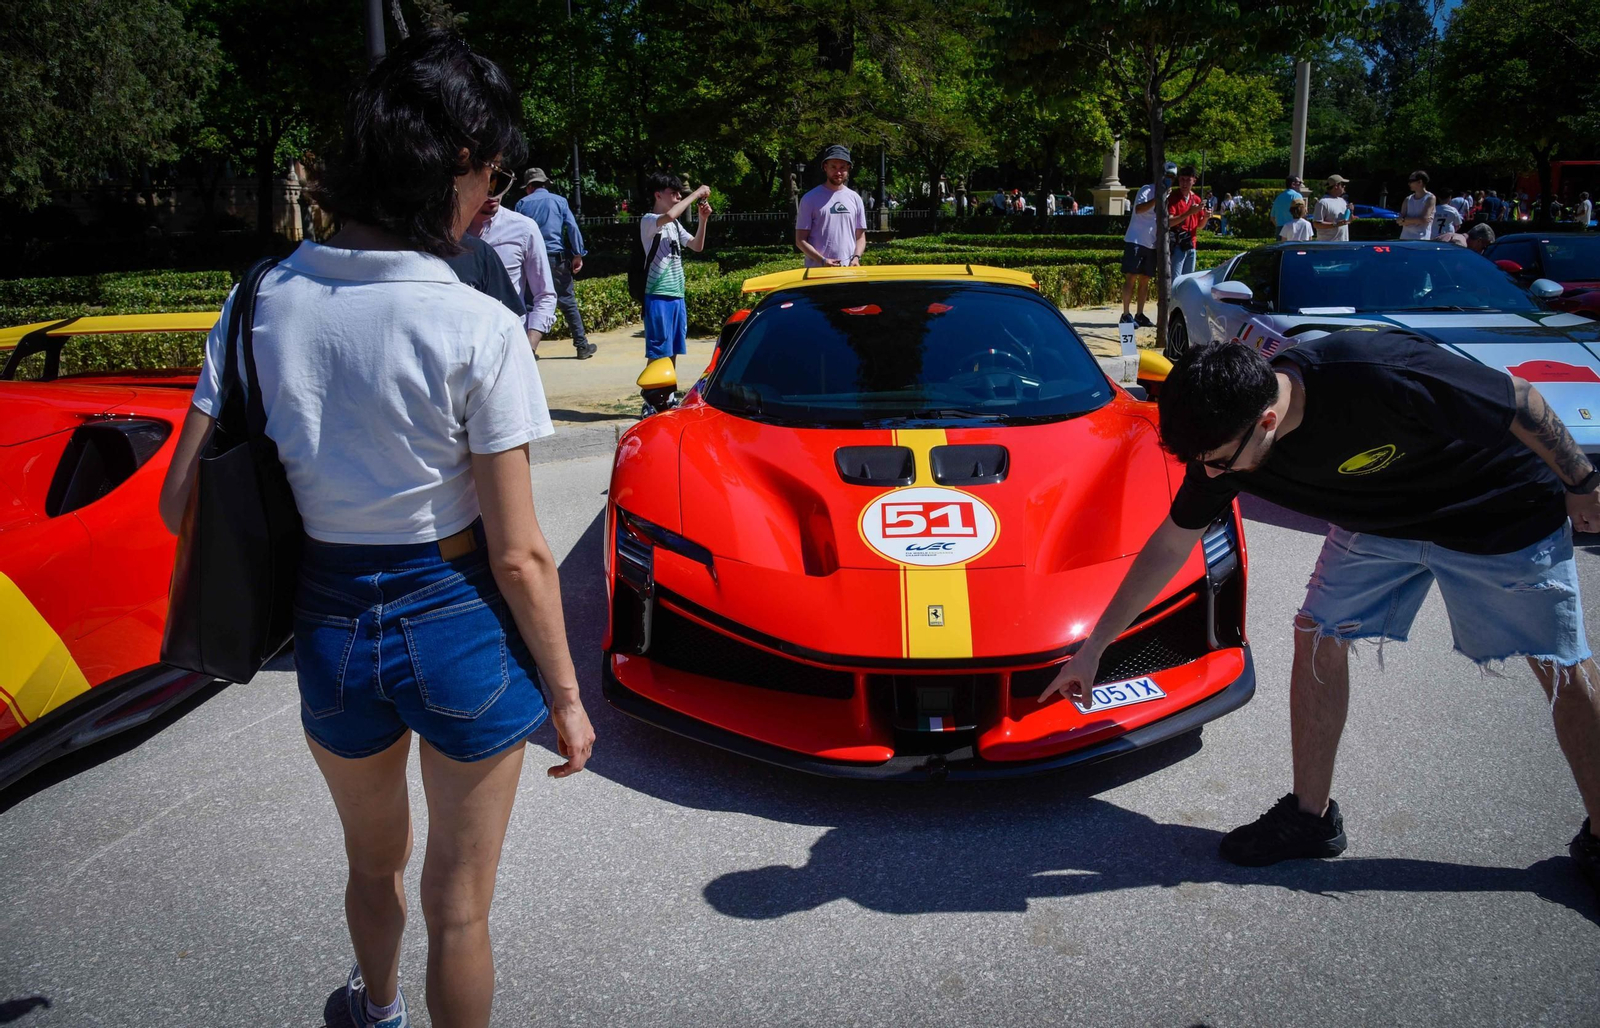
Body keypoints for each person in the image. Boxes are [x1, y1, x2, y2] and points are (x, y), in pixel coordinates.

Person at [156, 31, 595, 1028]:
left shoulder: (257, 300)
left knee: (371, 863)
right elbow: (522, 552)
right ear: (449, 165)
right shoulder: (475, 325)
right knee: (462, 904)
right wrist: (566, 698)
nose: (494, 198)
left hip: (331, 624)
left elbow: (180, 502)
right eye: (488, 174)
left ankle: (378, 1009)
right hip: (460, 621)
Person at [1038, 333, 1600, 895]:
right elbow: (1169, 544)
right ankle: (1310, 819)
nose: (1210, 475)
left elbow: (1521, 399)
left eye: (1217, 462)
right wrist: (1093, 650)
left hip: (1496, 510)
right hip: (1379, 525)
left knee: (1560, 667)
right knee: (1315, 635)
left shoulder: (1374, 372)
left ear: (1265, 421)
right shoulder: (1223, 442)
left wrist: (1582, 483)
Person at [466, 179, 557, 357]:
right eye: (485, 184)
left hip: (510, 349)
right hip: (464, 349)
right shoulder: (449, 232)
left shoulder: (523, 229)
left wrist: (529, 347)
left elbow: (545, 294)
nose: (493, 193)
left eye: (499, 184)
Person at [514, 168, 596, 359]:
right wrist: (578, 254)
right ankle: (582, 347)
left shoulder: (521, 204)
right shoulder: (559, 201)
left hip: (530, 259)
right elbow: (572, 227)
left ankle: (529, 349)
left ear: (530, 187)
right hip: (555, 258)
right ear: (544, 184)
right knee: (567, 301)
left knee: (529, 304)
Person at [642, 171, 712, 368]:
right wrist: (696, 193)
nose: (679, 197)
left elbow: (697, 246)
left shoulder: (674, 225)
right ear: (658, 195)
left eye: (680, 193)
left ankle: (668, 394)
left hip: (677, 294)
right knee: (658, 352)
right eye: (674, 193)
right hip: (657, 294)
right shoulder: (649, 220)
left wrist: (703, 220)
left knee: (673, 350)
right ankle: (653, 396)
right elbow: (672, 213)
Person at [795, 145, 867, 268]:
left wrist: (856, 258)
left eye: (842, 167)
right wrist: (823, 260)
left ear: (848, 168)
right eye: (833, 167)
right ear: (825, 167)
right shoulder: (809, 199)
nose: (838, 172)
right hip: (818, 272)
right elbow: (800, 240)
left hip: (848, 271)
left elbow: (860, 237)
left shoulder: (855, 199)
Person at [1120, 177, 1160, 329]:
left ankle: (1140, 314)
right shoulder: (1147, 189)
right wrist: (1157, 199)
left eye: (1171, 177)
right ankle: (1125, 314)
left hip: (1151, 243)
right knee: (1131, 277)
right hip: (1135, 240)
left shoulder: (1169, 194)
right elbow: (1139, 209)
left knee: (1145, 279)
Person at [1166, 165, 1206, 277]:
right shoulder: (1173, 197)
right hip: (1178, 243)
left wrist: (1206, 217)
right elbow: (1169, 222)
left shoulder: (1196, 199)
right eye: (1182, 180)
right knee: (1176, 279)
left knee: (1187, 280)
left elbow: (1200, 226)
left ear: (1194, 181)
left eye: (1188, 180)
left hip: (1191, 244)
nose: (1184, 183)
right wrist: (1189, 212)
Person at [1312, 174, 1355, 242]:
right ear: (1336, 186)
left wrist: (1351, 211)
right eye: (1343, 185)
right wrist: (1336, 224)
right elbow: (1316, 224)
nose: (1344, 187)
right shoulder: (1323, 203)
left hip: (1343, 244)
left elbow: (1348, 221)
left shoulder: (1343, 201)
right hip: (1327, 245)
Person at [1398, 170, 1436, 240]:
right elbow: (1399, 220)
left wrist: (1405, 220)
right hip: (1404, 238)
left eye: (1411, 181)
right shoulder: (1408, 199)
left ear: (1420, 182)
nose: (1409, 183)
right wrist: (1415, 220)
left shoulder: (1430, 198)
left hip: (1421, 239)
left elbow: (1423, 219)